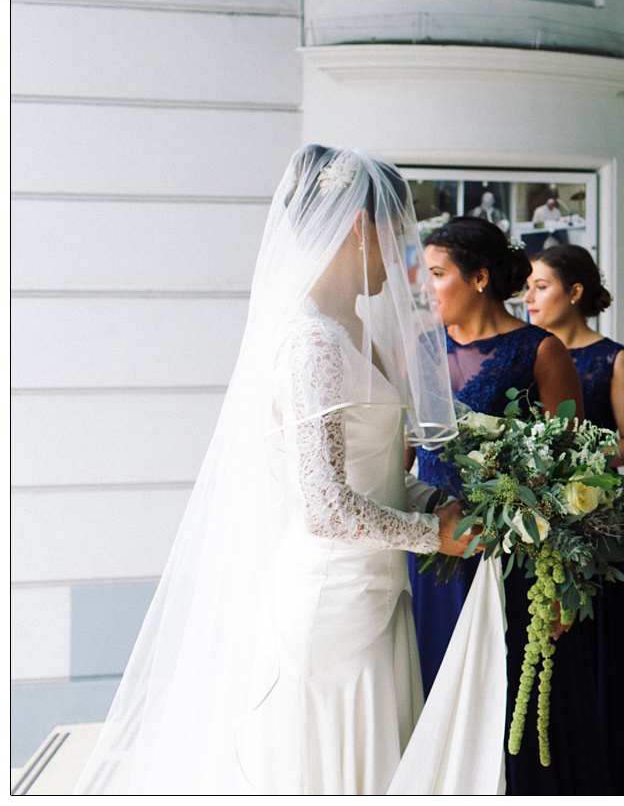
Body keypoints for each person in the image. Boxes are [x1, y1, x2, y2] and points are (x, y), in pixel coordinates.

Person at [77, 146, 478, 794]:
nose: (405, 253)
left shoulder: (352, 327)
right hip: (336, 610)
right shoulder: (312, 340)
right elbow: (325, 505)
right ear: (357, 227)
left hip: (378, 594)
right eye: (394, 229)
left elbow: (376, 470)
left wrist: (451, 501)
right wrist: (434, 535)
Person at [408, 216, 605, 795]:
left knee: (513, 701)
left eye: (437, 273)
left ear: (479, 278)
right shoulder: (420, 351)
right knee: (440, 688)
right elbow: (401, 456)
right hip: (436, 559)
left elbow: (575, 475)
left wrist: (567, 583)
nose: (425, 287)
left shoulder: (541, 351)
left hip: (518, 561)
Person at [526, 244, 624, 794]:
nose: (528, 297)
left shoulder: (614, 358)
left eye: (541, 286)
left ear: (574, 293)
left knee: (600, 646)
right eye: (527, 287)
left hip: (598, 527)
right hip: (540, 528)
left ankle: (613, 777)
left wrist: (572, 459)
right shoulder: (528, 352)